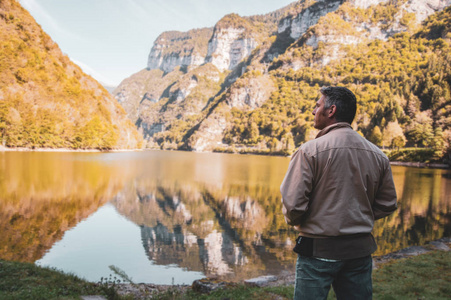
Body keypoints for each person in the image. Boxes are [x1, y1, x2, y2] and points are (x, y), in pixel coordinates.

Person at [280, 86, 397, 300]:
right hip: (359, 251)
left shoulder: (309, 151)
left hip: (317, 250)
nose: (313, 111)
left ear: (331, 110)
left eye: (317, 106)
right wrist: (358, 216)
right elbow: (388, 203)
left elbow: (293, 206)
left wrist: (307, 222)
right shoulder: (378, 155)